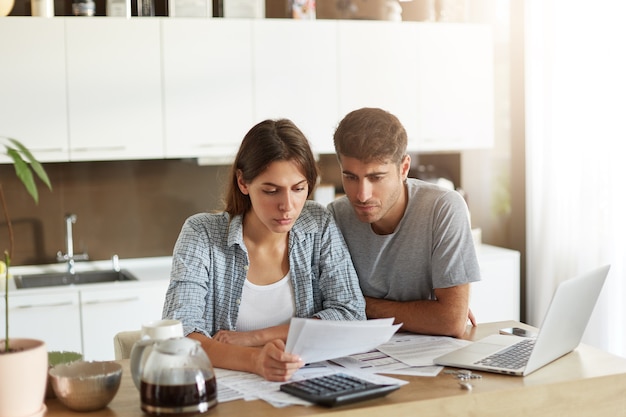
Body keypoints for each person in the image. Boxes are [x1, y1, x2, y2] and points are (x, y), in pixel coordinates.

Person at [162, 118, 366, 382]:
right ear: (243, 183)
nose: (288, 206)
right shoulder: (201, 234)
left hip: (303, 382)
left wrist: (256, 337)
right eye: (271, 191)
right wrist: (255, 360)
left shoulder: (318, 223)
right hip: (227, 389)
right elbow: (180, 332)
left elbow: (350, 313)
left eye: (299, 189)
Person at [328, 107, 480, 339]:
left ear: (404, 169)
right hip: (361, 353)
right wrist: (424, 314)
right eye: (350, 177)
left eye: (376, 177)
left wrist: (357, 304)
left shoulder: (443, 208)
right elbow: (322, 305)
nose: (362, 195)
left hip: (431, 355)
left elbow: (450, 321)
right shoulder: (336, 216)